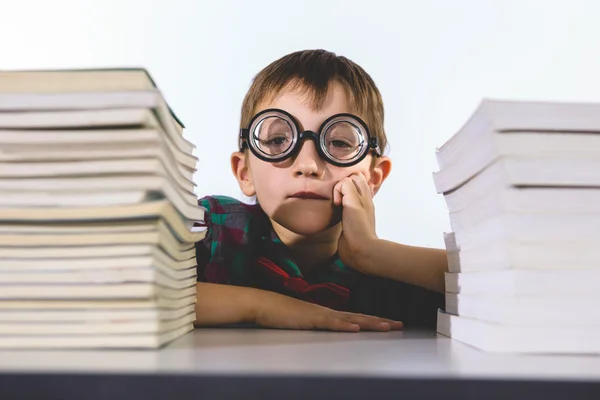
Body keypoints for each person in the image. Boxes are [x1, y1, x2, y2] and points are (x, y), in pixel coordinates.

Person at [193, 49, 447, 332]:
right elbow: (138, 292)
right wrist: (261, 307)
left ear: (373, 179)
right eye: (278, 139)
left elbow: (499, 291)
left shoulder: (388, 274)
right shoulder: (212, 230)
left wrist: (371, 252)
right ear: (245, 172)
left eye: (338, 143)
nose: (308, 165)